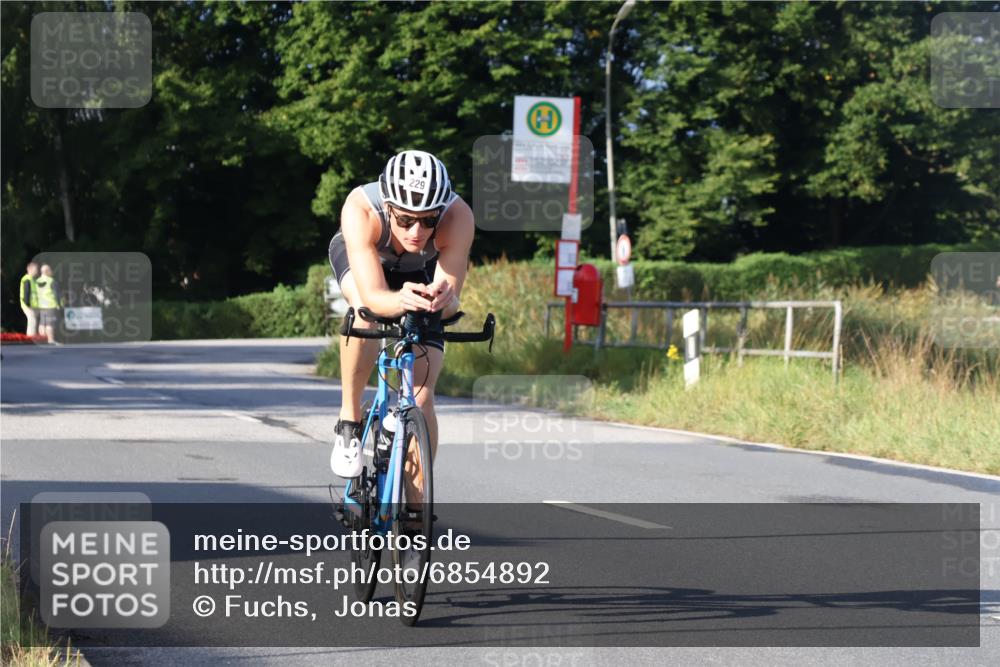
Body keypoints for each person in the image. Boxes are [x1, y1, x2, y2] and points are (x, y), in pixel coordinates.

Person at [327, 150, 474, 502]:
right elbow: (375, 298)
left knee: (422, 398)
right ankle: (349, 420)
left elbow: (452, 303)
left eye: (428, 220)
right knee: (363, 311)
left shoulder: (458, 216)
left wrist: (443, 300)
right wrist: (400, 301)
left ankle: (416, 514)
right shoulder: (361, 209)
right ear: (389, 207)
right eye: (406, 219)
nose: (417, 231)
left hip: (420, 269)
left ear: (441, 211)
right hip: (367, 265)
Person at [35, 264, 62, 344]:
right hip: (51, 305)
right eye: (50, 270)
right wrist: (59, 305)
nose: (51, 271)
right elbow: (56, 294)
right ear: (46, 271)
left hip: (41, 306)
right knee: (50, 324)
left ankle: (42, 340)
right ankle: (50, 340)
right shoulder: (51, 281)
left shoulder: (37, 281)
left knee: (42, 324)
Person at [19, 261, 40, 337]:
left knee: (34, 321)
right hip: (28, 305)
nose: (37, 271)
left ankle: (33, 337)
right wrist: (27, 304)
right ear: (30, 269)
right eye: (36, 269)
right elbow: (26, 292)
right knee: (32, 321)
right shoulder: (27, 279)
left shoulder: (33, 279)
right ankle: (30, 338)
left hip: (33, 305)